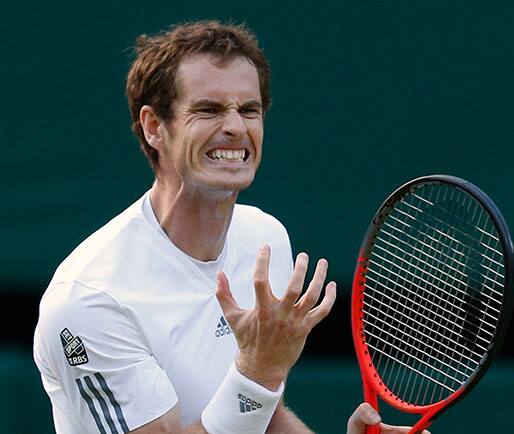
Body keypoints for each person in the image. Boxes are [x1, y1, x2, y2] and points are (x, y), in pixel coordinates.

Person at [33, 20, 426, 434]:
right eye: (209, 109)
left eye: (249, 110)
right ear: (154, 127)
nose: (236, 128)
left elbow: (259, 417)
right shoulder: (90, 299)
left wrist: (261, 379)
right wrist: (259, 372)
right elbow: (253, 392)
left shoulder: (265, 241)